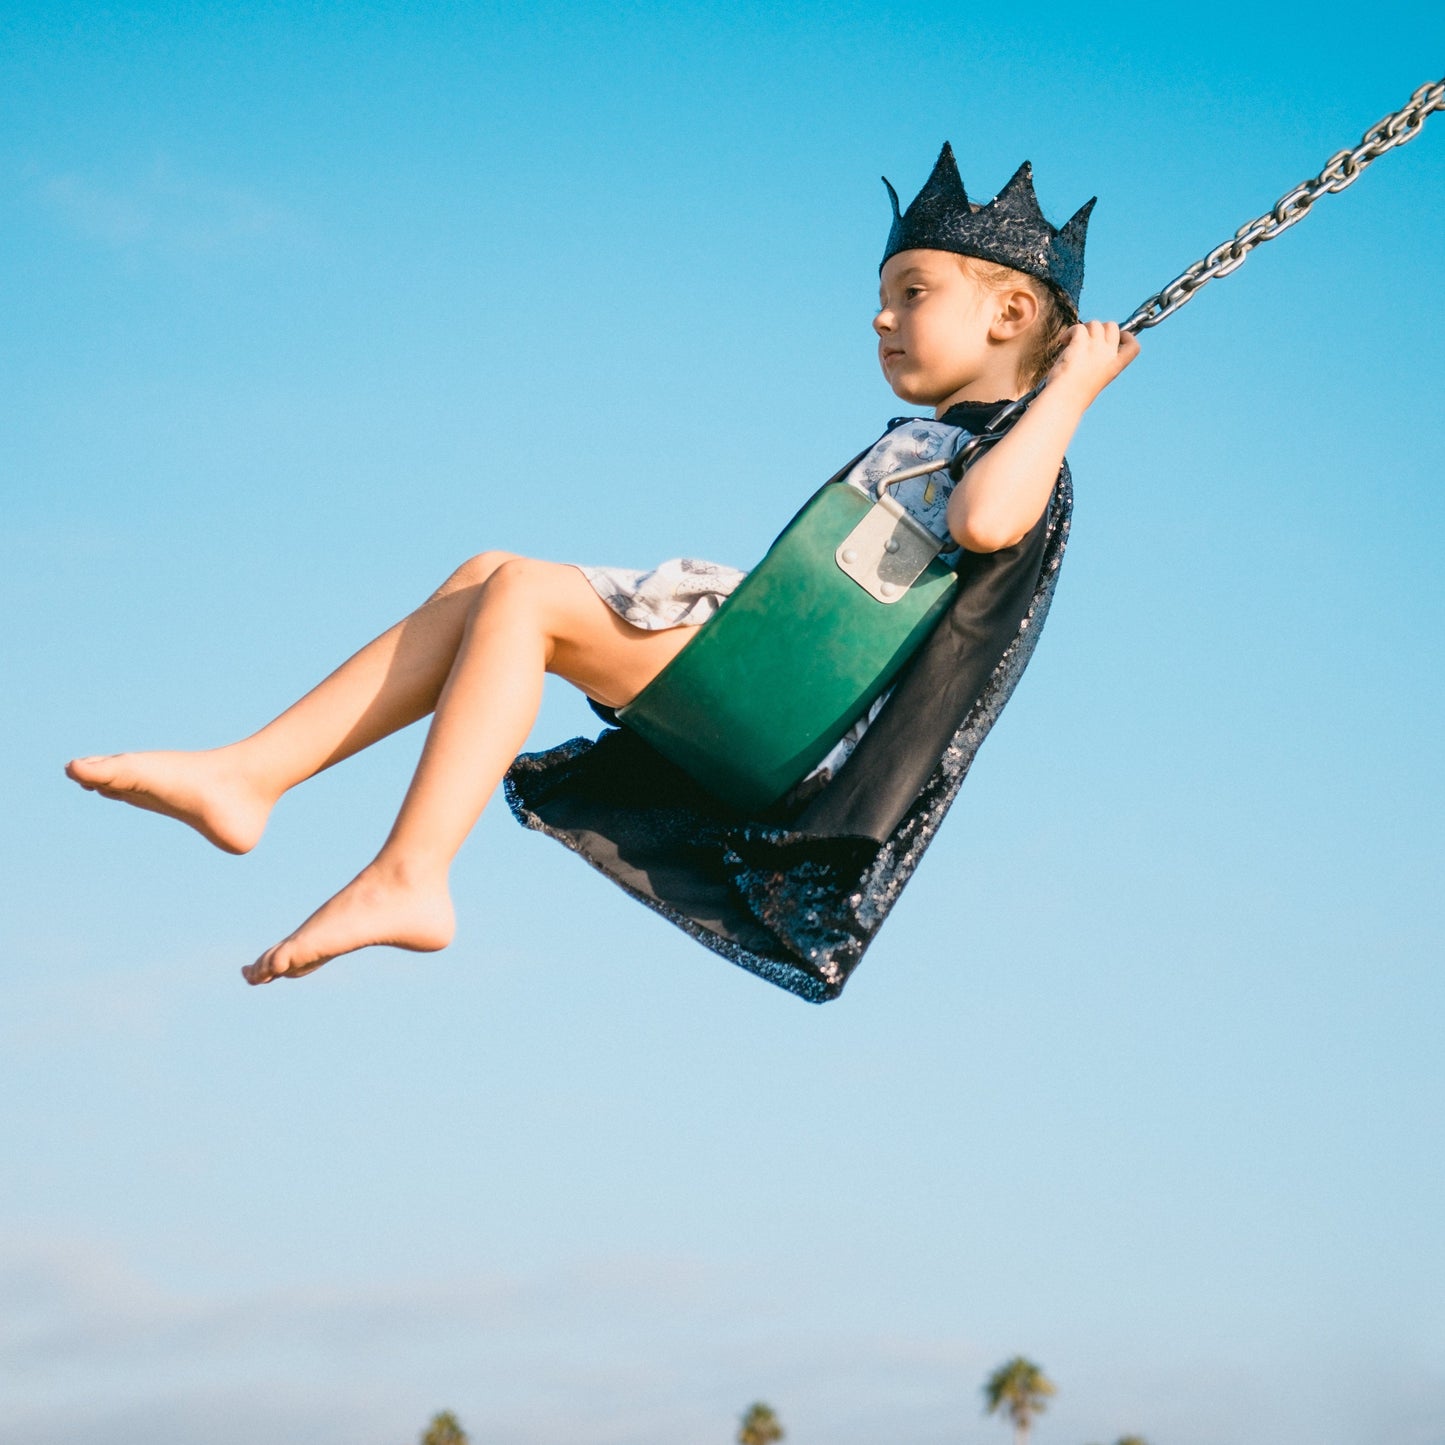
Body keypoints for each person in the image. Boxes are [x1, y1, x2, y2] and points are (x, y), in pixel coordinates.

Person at [65, 144, 1138, 988]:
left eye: (912, 291)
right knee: (492, 571)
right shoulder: (956, 432)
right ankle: (253, 773)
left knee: (528, 596)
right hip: (779, 673)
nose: (880, 314)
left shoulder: (1018, 444)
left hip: (804, 724)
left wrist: (1066, 396)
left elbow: (993, 522)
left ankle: (411, 873)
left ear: (1006, 312)